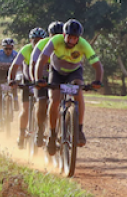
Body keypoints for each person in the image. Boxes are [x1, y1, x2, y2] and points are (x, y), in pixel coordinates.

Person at [34, 19, 103, 154]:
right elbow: (41, 61)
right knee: (54, 100)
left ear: (79, 38)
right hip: (56, 72)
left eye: (75, 39)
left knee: (78, 92)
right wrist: (39, 79)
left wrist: (98, 81)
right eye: (69, 38)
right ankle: (53, 135)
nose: (72, 41)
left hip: (74, 72)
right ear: (64, 35)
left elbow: (97, 65)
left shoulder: (84, 45)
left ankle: (79, 130)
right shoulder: (55, 41)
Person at [8, 27, 48, 149]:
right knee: (25, 109)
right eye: (35, 40)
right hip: (28, 81)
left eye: (40, 40)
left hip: (42, 82)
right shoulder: (26, 49)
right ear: (30, 40)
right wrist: (11, 79)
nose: (37, 43)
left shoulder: (48, 50)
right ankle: (21, 133)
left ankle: (42, 129)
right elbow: (14, 66)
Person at [28, 21, 63, 147]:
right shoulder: (42, 45)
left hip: (57, 78)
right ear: (49, 35)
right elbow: (33, 65)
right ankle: (40, 130)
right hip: (42, 78)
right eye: (54, 35)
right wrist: (35, 80)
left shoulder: (67, 45)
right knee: (42, 103)